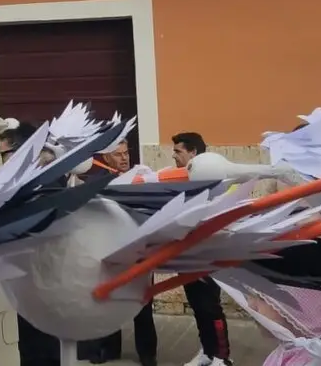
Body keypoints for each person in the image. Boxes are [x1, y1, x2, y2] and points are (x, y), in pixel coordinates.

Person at [82, 139, 157, 366]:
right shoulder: (96, 183)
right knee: (109, 302)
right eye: (118, 154)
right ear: (106, 157)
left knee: (142, 303)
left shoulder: (140, 178)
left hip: (139, 251)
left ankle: (148, 354)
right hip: (111, 251)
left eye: (126, 153)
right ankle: (108, 350)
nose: (124, 158)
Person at [0, 123, 61, 366]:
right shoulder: (18, 188)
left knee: (43, 351)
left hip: (42, 283)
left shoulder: (46, 186)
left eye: (2, 154)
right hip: (24, 285)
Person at [170, 132, 232, 366]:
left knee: (210, 307)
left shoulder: (215, 181)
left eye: (178, 151)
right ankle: (207, 352)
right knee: (197, 306)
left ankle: (222, 357)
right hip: (185, 254)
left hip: (208, 254)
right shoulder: (180, 180)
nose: (174, 156)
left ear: (193, 153)